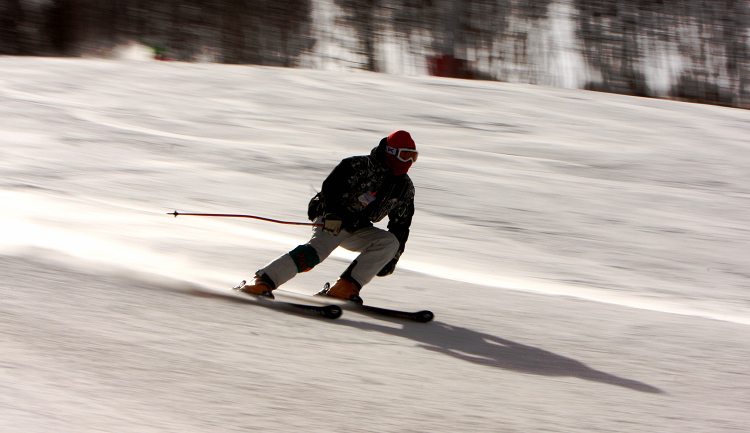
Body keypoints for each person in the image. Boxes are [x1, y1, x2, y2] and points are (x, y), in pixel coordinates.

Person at [240, 130, 418, 303]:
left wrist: (392, 258)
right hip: (334, 218)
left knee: (389, 243)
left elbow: (401, 225)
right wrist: (333, 214)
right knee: (317, 252)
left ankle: (345, 286)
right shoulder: (359, 166)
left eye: (413, 157)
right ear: (390, 152)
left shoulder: (405, 188)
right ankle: (262, 280)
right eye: (405, 155)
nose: (409, 161)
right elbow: (331, 188)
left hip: (359, 227)